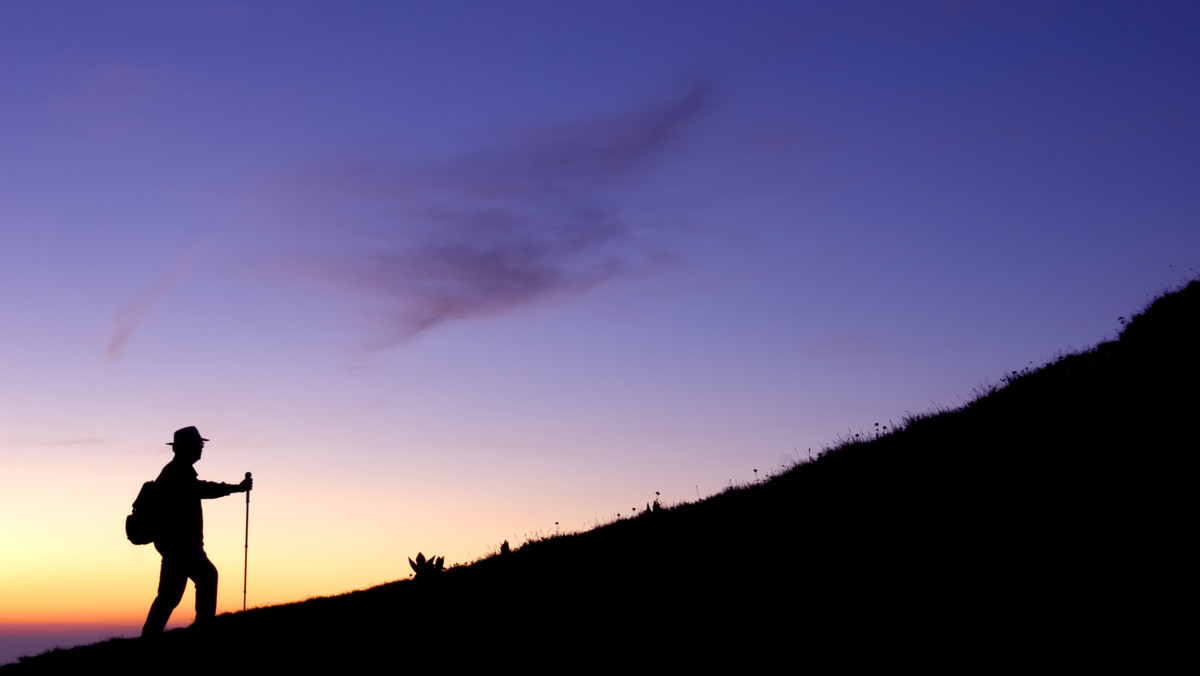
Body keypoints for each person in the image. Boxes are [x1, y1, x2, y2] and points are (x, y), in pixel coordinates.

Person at [141, 426, 252, 637]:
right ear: (185, 448)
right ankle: (204, 629)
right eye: (199, 445)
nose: (202, 449)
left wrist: (236, 489)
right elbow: (202, 489)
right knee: (206, 577)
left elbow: (199, 489)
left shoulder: (176, 470)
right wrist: (236, 488)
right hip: (181, 544)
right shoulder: (177, 472)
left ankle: (148, 641)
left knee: (169, 596)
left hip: (175, 544)